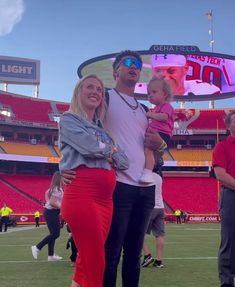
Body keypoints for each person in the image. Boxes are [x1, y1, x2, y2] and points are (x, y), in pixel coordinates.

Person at [61, 50, 165, 287]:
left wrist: (163, 144)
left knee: (134, 255)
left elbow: (154, 149)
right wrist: (63, 166)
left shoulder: (144, 109)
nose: (133, 67)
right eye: (127, 63)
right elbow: (80, 127)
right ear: (115, 70)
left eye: (137, 64)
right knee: (110, 253)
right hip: (117, 184)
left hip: (145, 187)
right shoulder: (106, 97)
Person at [59, 74, 129, 287]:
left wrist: (106, 151)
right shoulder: (68, 119)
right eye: (90, 87)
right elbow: (88, 147)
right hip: (82, 193)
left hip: (105, 201)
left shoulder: (103, 130)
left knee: (84, 264)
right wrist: (110, 151)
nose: (95, 92)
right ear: (78, 92)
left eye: (99, 90)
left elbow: (124, 161)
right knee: (95, 260)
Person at [212, 111, 235, 287]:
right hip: (231, 196)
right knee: (229, 240)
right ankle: (226, 282)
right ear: (228, 126)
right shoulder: (222, 147)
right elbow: (220, 174)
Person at [139, 76, 174, 183]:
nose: (151, 95)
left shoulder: (166, 106)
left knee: (148, 150)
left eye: (154, 92)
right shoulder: (157, 108)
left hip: (162, 134)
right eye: (149, 93)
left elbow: (164, 117)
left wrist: (151, 115)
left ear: (164, 94)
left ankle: (148, 172)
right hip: (158, 133)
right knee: (148, 152)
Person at [135, 54, 221, 96]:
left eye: (171, 71)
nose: (166, 78)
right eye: (158, 71)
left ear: (185, 69)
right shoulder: (137, 90)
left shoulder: (206, 90)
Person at [31, 171, 63, 261]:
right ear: (59, 178)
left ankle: (51, 255)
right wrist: (62, 207)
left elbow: (47, 195)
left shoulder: (54, 189)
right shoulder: (56, 189)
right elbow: (53, 202)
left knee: (53, 234)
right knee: (56, 234)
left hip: (50, 212)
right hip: (51, 212)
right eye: (62, 177)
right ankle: (37, 247)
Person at [142, 171, 165, 268]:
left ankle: (147, 255)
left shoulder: (146, 175)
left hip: (150, 207)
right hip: (160, 207)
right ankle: (159, 261)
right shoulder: (159, 177)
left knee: (137, 232)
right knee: (159, 235)